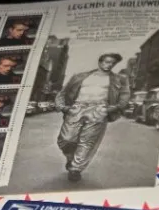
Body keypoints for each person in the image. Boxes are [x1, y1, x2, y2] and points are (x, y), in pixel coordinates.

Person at [56, 51, 131, 183]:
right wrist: (63, 107)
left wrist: (111, 109)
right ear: (100, 62)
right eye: (107, 62)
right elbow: (63, 93)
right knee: (66, 140)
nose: (110, 65)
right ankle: (71, 158)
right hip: (77, 109)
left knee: (87, 142)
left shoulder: (119, 79)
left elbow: (125, 96)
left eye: (113, 63)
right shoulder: (80, 76)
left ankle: (75, 169)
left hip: (98, 110)